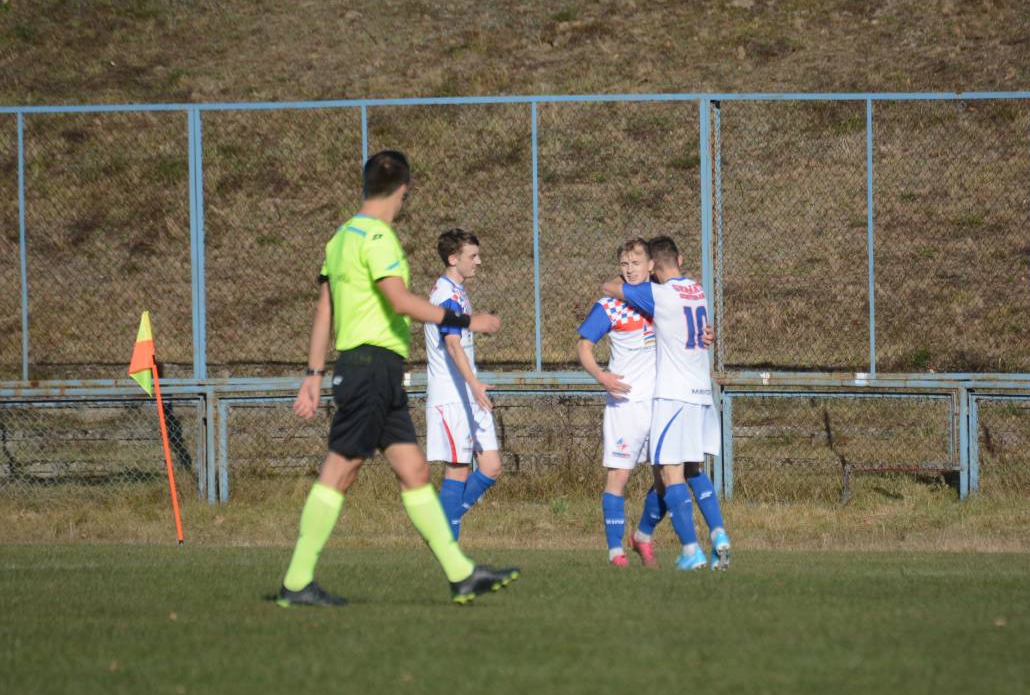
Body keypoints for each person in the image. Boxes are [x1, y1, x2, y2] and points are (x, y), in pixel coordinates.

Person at [277, 150, 518, 607]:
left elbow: (325, 309)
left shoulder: (340, 238)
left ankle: (461, 574)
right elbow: (400, 301)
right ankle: (296, 581)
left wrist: (314, 371)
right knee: (340, 471)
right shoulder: (379, 237)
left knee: (415, 471)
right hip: (370, 368)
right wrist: (468, 321)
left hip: (376, 371)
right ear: (402, 191)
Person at [577, 238, 716, 568]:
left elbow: (689, 328)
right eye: (624, 264)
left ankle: (642, 535)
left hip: (662, 401)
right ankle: (616, 553)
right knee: (619, 476)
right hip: (625, 402)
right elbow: (583, 346)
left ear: (651, 265)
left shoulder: (660, 297)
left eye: (635, 263)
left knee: (667, 479)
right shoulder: (611, 305)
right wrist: (602, 376)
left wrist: (706, 334)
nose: (629, 270)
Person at [425, 228, 503, 541]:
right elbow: (453, 344)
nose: (479, 261)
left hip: (469, 394)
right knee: (458, 469)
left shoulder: (457, 291)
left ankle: (441, 525)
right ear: (453, 259)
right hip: (453, 396)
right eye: (473, 256)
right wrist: (474, 383)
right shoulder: (445, 296)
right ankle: (447, 545)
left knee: (491, 466)